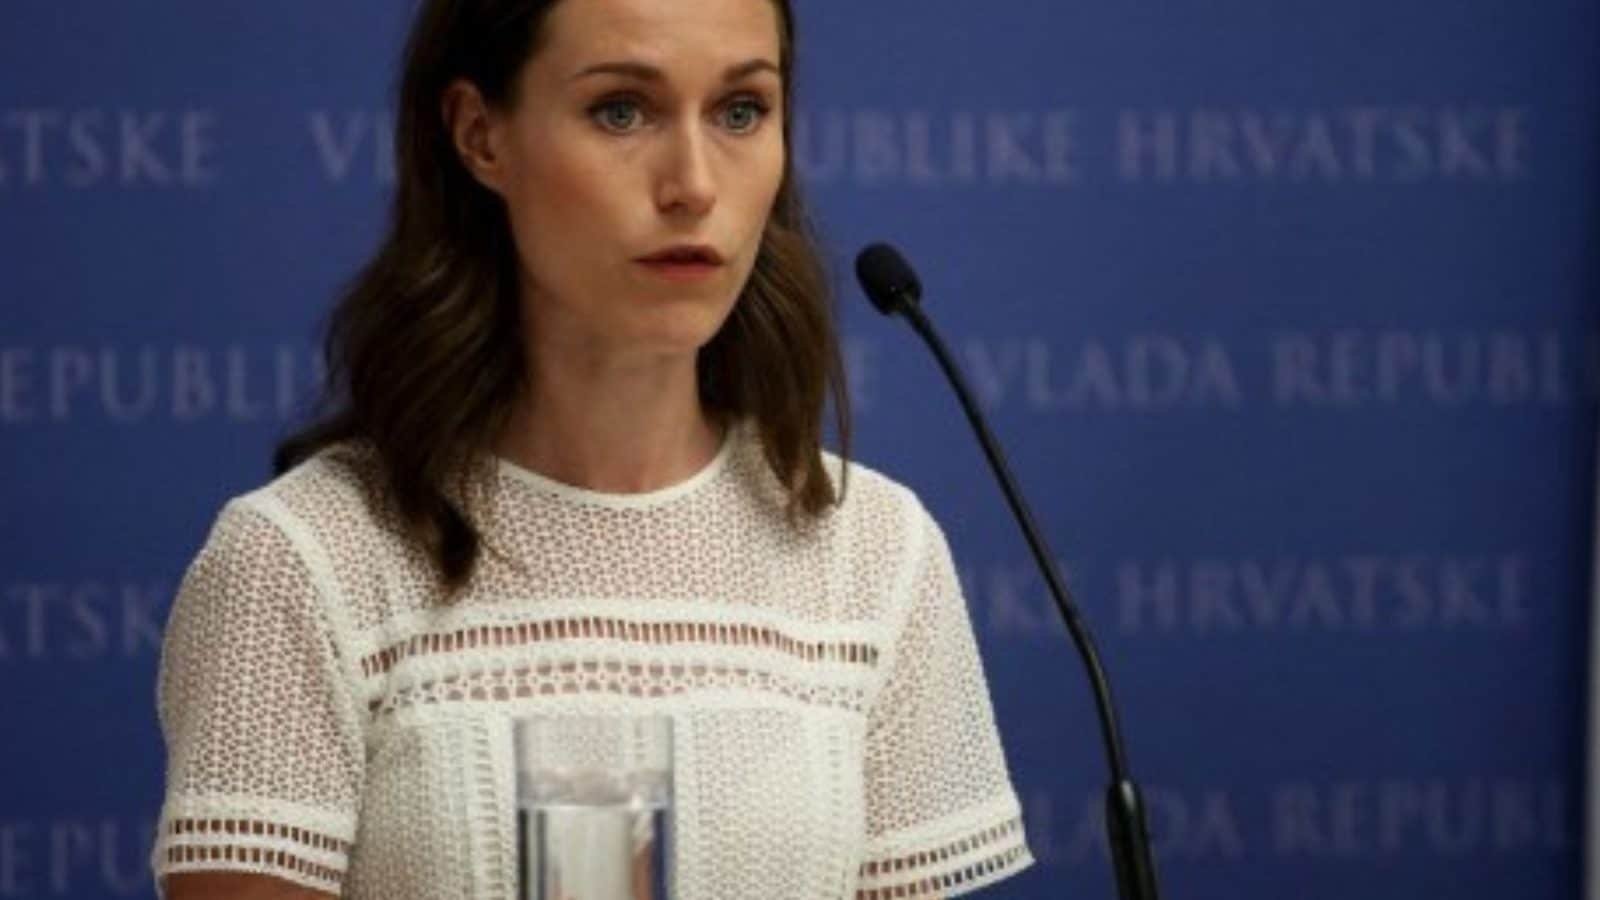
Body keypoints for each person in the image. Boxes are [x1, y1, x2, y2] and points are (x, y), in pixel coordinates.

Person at [151, 0, 1035, 897]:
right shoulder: (302, 561)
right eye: (621, 110)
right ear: (480, 135)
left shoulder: (875, 551)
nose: (694, 185)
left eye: (740, 111)